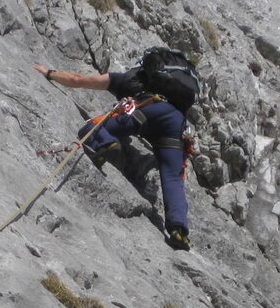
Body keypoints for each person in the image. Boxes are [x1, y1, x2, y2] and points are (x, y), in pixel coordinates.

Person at [33, 63, 191, 251]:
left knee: (89, 128)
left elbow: (78, 80)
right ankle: (178, 229)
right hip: (176, 123)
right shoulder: (178, 97)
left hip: (148, 109)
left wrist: (49, 73)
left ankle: (106, 144)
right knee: (173, 176)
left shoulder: (126, 80)